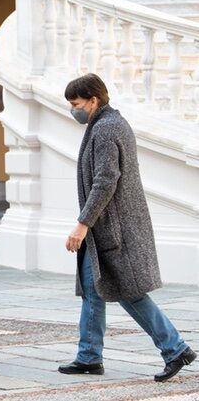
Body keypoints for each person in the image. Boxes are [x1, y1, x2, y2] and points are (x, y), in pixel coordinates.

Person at [58, 73, 195, 382]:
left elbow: (106, 181)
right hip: (108, 228)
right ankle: (89, 356)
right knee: (95, 290)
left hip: (113, 230)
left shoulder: (106, 129)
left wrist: (82, 224)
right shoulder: (106, 123)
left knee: (128, 292)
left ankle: (175, 348)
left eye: (76, 103)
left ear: (93, 100)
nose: (73, 109)